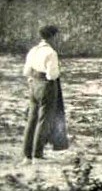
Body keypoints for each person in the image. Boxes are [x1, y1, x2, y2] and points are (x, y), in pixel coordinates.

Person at [22, 25, 69, 165]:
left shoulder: (33, 50)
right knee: (44, 120)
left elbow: (26, 72)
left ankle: (27, 156)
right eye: (57, 37)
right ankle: (37, 154)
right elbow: (52, 74)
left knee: (32, 120)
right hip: (46, 86)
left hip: (33, 84)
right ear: (52, 37)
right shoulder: (51, 52)